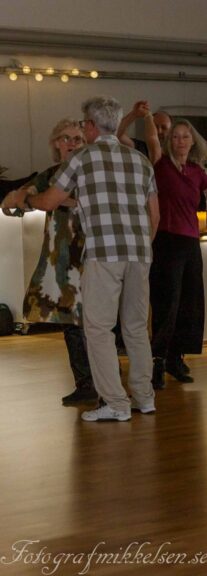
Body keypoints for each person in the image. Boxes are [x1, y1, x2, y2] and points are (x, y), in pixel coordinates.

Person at [6, 96, 160, 421]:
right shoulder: (140, 160)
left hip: (104, 252)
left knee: (98, 328)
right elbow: (154, 215)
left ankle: (115, 403)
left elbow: (49, 201)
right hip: (140, 253)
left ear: (90, 125)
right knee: (135, 327)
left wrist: (25, 199)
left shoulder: (82, 158)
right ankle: (144, 397)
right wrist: (143, 246)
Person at [0, 119, 95, 405]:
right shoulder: (51, 175)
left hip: (92, 255)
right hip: (61, 257)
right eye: (66, 138)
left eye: (78, 139)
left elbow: (79, 204)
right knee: (70, 323)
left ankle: (105, 382)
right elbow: (10, 202)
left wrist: (49, 200)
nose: (72, 143)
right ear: (56, 143)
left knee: (95, 323)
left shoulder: (94, 173)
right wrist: (27, 198)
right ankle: (85, 383)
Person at [144, 111, 207, 386]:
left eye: (185, 137)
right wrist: (142, 115)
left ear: (193, 141)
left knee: (189, 302)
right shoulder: (160, 164)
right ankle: (157, 361)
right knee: (166, 302)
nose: (181, 141)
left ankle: (176, 358)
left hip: (191, 242)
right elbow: (148, 137)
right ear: (169, 140)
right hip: (166, 240)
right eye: (176, 137)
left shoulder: (197, 172)